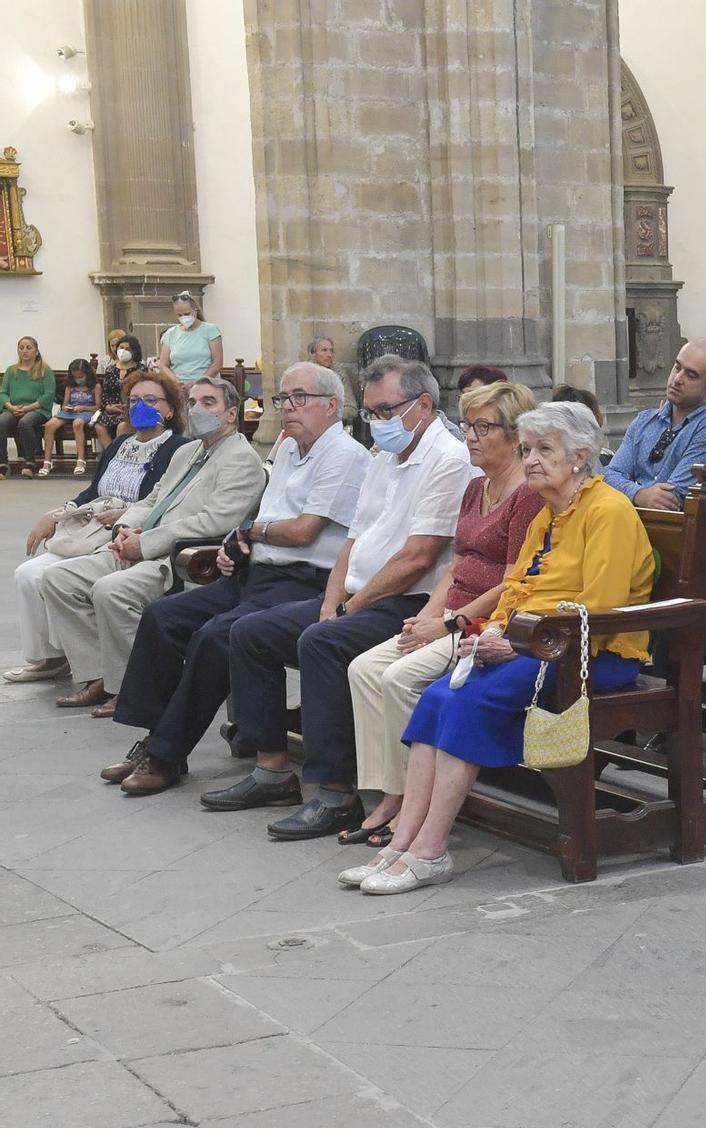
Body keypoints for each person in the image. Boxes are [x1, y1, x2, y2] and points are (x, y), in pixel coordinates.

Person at [340, 403, 653, 894]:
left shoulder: (608, 510)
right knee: (438, 696)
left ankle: (430, 851)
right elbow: (516, 590)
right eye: (527, 449)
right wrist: (492, 630)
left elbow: (601, 606)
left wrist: (518, 641)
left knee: (468, 700)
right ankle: (400, 843)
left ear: (581, 455)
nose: (530, 460)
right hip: (536, 644)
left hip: (590, 656)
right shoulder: (549, 514)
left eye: (544, 450)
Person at [201, 356, 472, 840]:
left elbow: (418, 556)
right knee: (250, 633)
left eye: (386, 410)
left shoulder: (448, 459)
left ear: (424, 404)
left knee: (321, 644)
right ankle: (272, 770)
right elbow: (353, 540)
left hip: (412, 602)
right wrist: (332, 604)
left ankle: (335, 792)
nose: (377, 423)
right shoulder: (385, 455)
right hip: (360, 595)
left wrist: (349, 610)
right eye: (370, 413)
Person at [102, 364, 371, 796]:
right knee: (163, 617)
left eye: (299, 398)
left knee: (217, 636)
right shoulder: (287, 449)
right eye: (282, 398)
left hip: (305, 580)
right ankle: (156, 738)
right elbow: (264, 516)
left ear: (332, 405)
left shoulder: (343, 454)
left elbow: (304, 530)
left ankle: (167, 754)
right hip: (260, 572)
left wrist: (252, 532)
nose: (287, 408)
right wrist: (236, 541)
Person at [339, 381, 541, 838]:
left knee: (401, 677)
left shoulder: (526, 496)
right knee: (364, 669)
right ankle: (390, 791)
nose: (470, 436)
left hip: (483, 624)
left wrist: (449, 623)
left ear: (515, 434)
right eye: (467, 425)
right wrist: (426, 618)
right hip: (448, 617)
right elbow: (457, 566)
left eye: (483, 427)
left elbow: (513, 583)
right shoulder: (475, 488)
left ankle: (418, 802)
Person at [39, 378, 265, 714]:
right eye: (194, 402)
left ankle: (133, 688)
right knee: (57, 579)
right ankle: (99, 676)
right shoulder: (188, 450)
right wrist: (126, 527)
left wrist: (145, 543)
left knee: (110, 591)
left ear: (231, 414)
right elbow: (154, 497)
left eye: (209, 403)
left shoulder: (241, 460)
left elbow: (213, 522)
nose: (197, 409)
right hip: (141, 543)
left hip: (178, 559)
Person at [8, 372, 187, 685]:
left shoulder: (178, 448)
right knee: (26, 573)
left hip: (125, 533)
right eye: (133, 401)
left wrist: (126, 513)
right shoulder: (120, 443)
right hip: (89, 527)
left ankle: (96, 666)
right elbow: (91, 492)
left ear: (169, 409)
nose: (140, 406)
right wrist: (55, 515)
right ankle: (50, 658)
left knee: (51, 577)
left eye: (150, 400)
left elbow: (168, 499)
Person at [604, 338, 706, 509]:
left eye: (691, 375)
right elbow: (609, 476)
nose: (677, 379)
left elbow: (672, 497)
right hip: (625, 518)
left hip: (674, 529)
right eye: (677, 367)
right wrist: (639, 494)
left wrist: (629, 489)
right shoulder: (644, 420)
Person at [0, 335, 56, 472]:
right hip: (14, 409)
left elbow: (48, 395)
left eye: (28, 348)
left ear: (36, 351)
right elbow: (3, 393)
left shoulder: (45, 370)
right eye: (21, 348)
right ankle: (2, 462)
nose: (24, 350)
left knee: (25, 422)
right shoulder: (11, 370)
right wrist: (10, 407)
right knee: (1, 421)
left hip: (37, 410)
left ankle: (30, 462)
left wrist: (28, 408)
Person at [41, 359, 99, 476]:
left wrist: (83, 408)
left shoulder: (95, 386)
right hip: (70, 411)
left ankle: (81, 460)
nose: (78, 379)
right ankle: (47, 461)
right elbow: (64, 405)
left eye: (81, 376)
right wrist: (68, 407)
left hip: (86, 411)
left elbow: (97, 406)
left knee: (77, 424)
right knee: (49, 425)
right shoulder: (70, 387)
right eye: (76, 377)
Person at [90, 332, 146, 454]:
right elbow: (106, 393)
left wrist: (127, 406)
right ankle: (111, 454)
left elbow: (144, 392)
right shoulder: (111, 369)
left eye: (127, 349)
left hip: (132, 408)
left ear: (134, 351)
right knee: (99, 425)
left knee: (122, 425)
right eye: (121, 348)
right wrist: (108, 406)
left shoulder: (140, 369)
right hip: (112, 408)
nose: (123, 351)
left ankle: (121, 454)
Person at [158, 292, 222, 384]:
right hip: (178, 387)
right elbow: (163, 365)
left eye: (187, 314)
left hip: (206, 384)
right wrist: (177, 383)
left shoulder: (211, 330)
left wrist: (198, 383)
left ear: (195, 310)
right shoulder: (170, 334)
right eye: (180, 315)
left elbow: (217, 363)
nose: (184, 318)